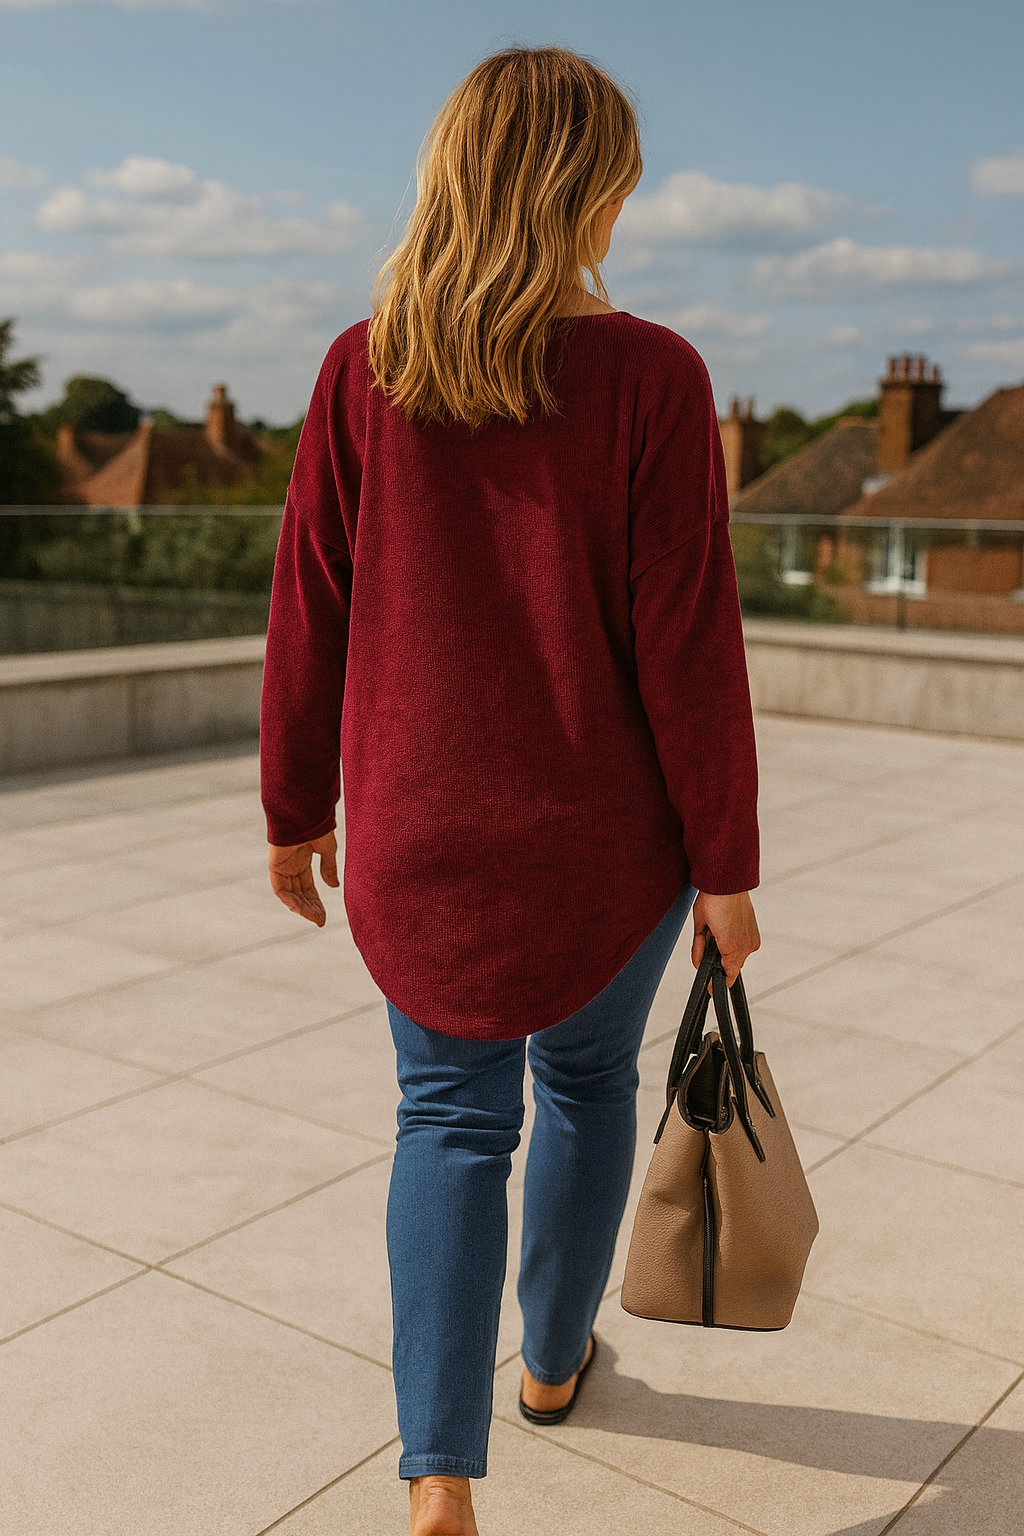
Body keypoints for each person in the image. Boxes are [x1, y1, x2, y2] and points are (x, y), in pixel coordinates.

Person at [261, 46, 761, 1536]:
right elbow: (689, 640)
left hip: (420, 832)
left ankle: (437, 1470)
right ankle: (551, 1366)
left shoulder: (365, 366)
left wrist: (294, 811)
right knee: (587, 1084)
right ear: (585, 184)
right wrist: (725, 864)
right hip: (610, 846)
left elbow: (310, 607)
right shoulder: (655, 376)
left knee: (448, 1119)